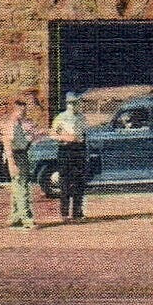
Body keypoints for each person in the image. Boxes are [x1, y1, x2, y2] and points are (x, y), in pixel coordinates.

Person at [50, 91, 89, 222]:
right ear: (66, 104)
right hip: (65, 150)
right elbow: (53, 134)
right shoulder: (60, 117)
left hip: (78, 151)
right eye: (70, 103)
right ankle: (64, 213)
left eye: (75, 103)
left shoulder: (82, 118)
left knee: (79, 182)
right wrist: (64, 137)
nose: (72, 106)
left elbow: (84, 135)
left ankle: (77, 212)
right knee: (65, 183)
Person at [4, 97, 37, 229]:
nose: (23, 112)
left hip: (23, 153)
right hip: (16, 156)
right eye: (21, 110)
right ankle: (27, 218)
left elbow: (27, 140)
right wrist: (12, 163)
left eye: (25, 110)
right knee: (23, 187)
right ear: (16, 109)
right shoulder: (12, 124)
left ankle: (15, 216)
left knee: (18, 187)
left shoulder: (22, 123)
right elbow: (8, 143)